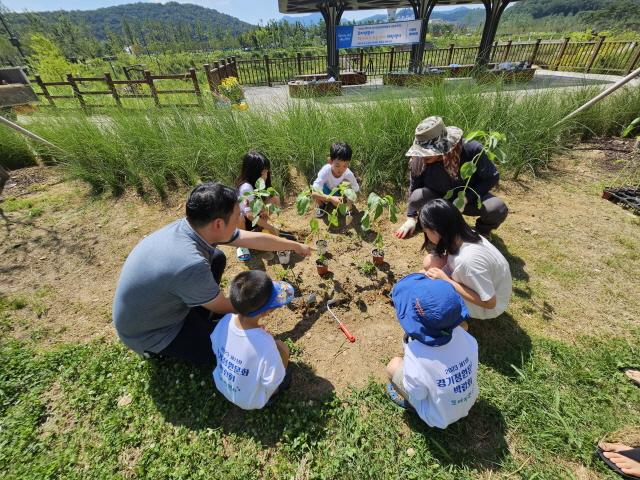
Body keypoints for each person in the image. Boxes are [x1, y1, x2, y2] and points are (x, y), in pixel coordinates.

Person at [112, 182, 311, 367]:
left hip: (162, 304)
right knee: (233, 355)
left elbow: (253, 240)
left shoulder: (192, 228)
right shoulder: (190, 264)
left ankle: (203, 317)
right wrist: (267, 301)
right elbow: (224, 305)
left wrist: (294, 245)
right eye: (237, 217)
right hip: (153, 332)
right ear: (218, 224)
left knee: (216, 257)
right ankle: (186, 334)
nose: (240, 220)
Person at [385, 272, 479, 429]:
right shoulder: (467, 338)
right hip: (468, 400)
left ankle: (413, 407)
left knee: (393, 366)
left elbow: (417, 393)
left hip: (437, 417)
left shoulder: (416, 355)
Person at [394, 116, 508, 239]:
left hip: (468, 200)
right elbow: (415, 185)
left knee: (497, 208)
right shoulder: (419, 158)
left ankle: (482, 231)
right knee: (417, 197)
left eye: (426, 154)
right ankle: (433, 223)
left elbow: (492, 177)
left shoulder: (472, 150)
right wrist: (411, 218)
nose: (422, 158)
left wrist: (466, 198)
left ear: (441, 147)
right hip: (439, 200)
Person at [210, 270, 293, 410]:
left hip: (221, 385)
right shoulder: (266, 344)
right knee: (283, 348)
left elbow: (215, 346)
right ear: (267, 312)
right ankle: (270, 399)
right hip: (250, 401)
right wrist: (270, 343)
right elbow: (271, 381)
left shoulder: (225, 320)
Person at [419, 198, 512, 320]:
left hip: (488, 308)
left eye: (426, 231)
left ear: (436, 231)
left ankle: (459, 325)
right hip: (487, 283)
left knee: (432, 295)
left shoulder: (468, 261)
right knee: (428, 265)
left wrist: (447, 281)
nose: (426, 235)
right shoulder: (464, 233)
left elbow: (490, 303)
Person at [236, 151, 281, 260]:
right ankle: (241, 244)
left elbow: (266, 199)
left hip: (255, 217)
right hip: (243, 221)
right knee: (239, 217)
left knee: (274, 198)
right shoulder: (246, 188)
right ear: (253, 172)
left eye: (266, 171)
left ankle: (260, 228)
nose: (265, 175)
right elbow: (250, 215)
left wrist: (265, 211)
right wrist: (272, 228)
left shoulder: (260, 183)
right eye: (262, 172)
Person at [311, 141, 360, 218]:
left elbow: (355, 188)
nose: (341, 169)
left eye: (345, 165)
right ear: (330, 161)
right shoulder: (325, 171)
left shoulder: (348, 173)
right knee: (317, 189)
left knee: (349, 186)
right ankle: (321, 205)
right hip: (326, 191)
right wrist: (330, 198)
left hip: (339, 192)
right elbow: (313, 193)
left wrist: (350, 197)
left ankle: (347, 208)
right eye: (337, 165)